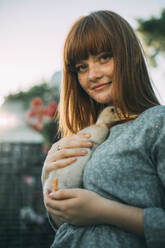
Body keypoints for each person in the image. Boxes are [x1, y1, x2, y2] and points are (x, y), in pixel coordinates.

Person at [42, 10, 165, 248]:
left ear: (132, 56)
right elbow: (64, 223)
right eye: (81, 67)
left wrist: (104, 212)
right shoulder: (84, 136)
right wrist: (49, 180)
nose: (93, 75)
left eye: (104, 57)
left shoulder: (157, 123)